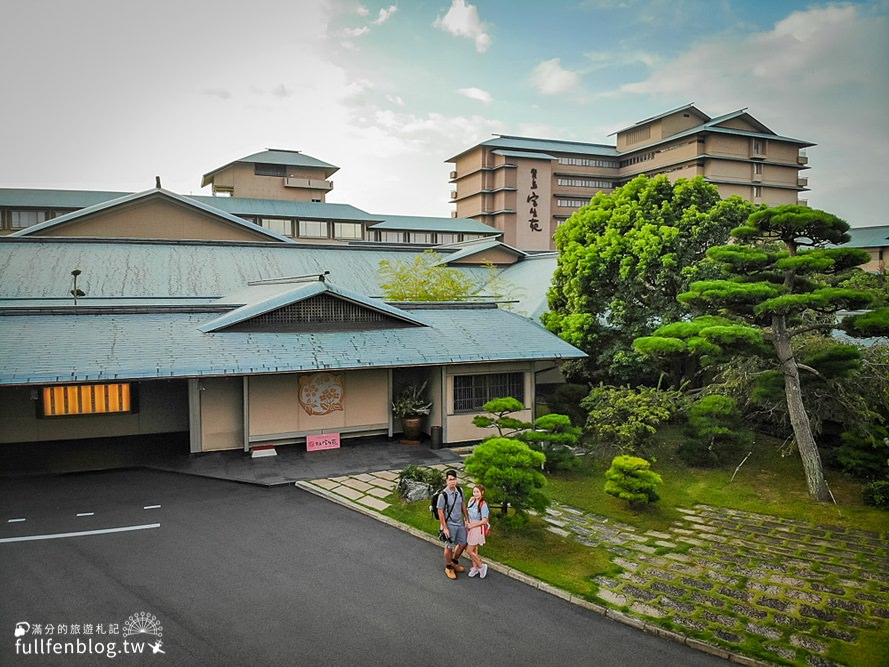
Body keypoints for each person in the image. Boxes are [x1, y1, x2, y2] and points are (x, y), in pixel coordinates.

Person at [437, 469, 468, 579]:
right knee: (449, 547)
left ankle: (454, 561)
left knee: (463, 543)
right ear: (446, 481)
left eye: (454, 479)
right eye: (450, 480)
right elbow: (440, 512)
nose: (452, 482)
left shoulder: (460, 490)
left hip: (459, 523)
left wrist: (466, 518)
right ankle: (448, 566)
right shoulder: (443, 495)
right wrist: (445, 528)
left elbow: (463, 504)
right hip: (449, 524)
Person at [464, 483, 490, 579]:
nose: (475, 494)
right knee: (474, 549)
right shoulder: (471, 500)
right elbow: (467, 512)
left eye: (477, 492)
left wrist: (472, 525)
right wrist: (466, 522)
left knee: (469, 550)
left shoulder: (483, 505)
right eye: (474, 491)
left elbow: (484, 520)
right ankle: (475, 567)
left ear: (482, 493)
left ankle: (481, 566)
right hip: (470, 527)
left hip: (477, 528)